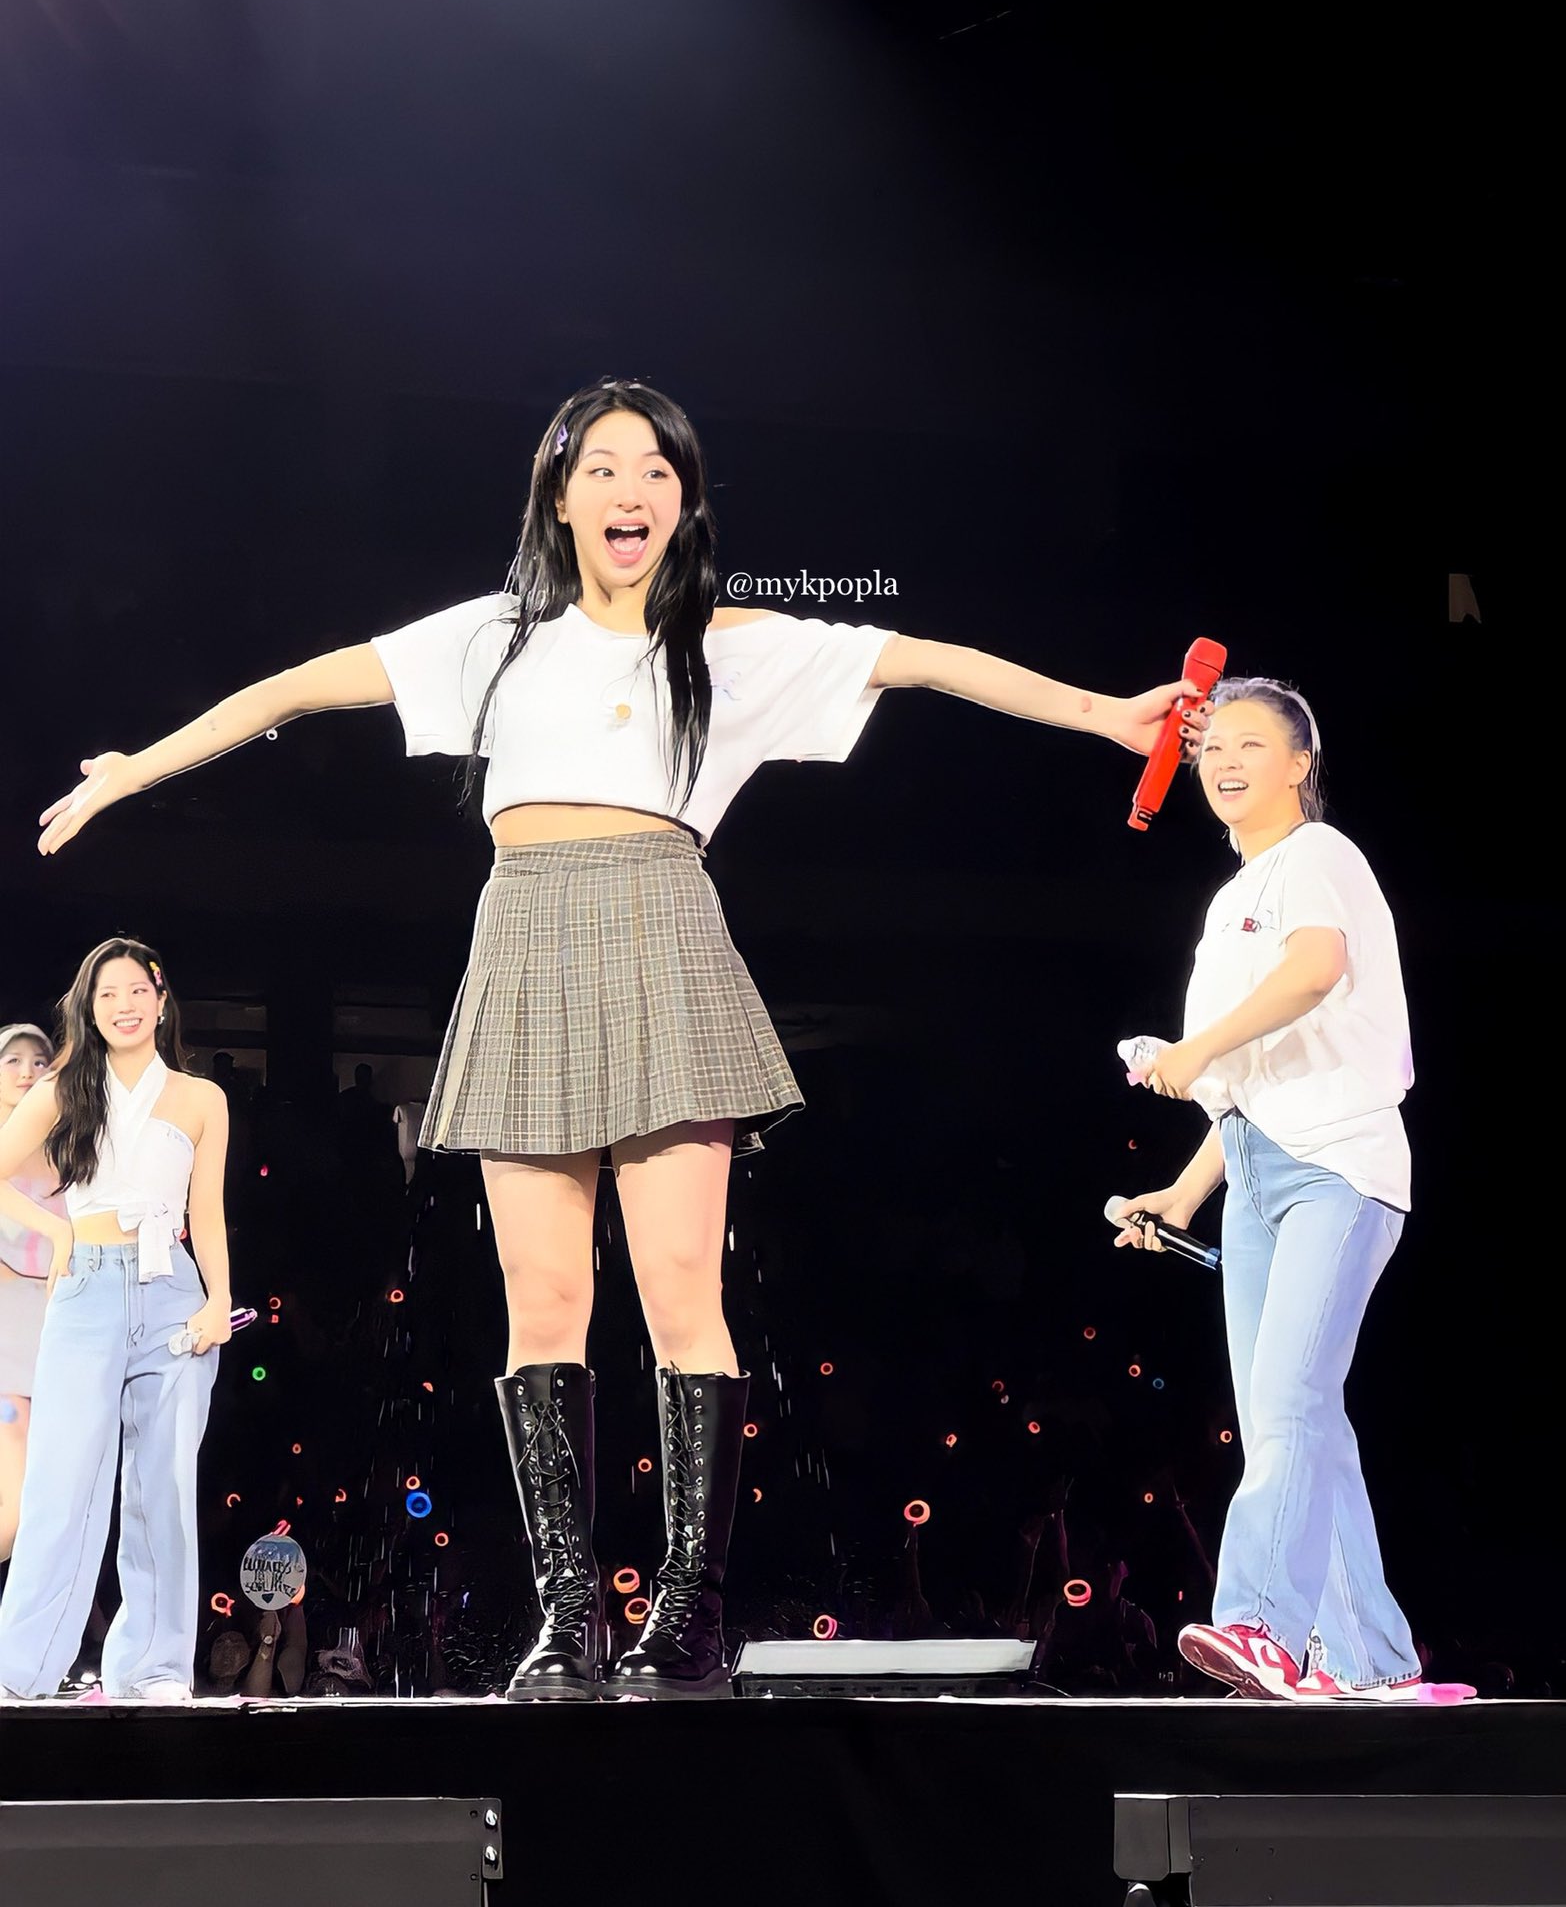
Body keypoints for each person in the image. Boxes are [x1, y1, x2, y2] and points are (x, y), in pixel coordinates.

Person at [35, 376, 1206, 1701]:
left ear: (685, 500)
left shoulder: (728, 642)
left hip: (661, 927)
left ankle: (687, 1618)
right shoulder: (493, 637)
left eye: (655, 468)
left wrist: (1107, 714)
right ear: (558, 495)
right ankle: (565, 1622)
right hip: (526, 934)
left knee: (681, 1297)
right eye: (601, 467)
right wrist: (137, 768)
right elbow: (299, 688)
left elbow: (921, 658)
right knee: (541, 1305)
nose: (629, 489)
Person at [1115, 677, 1427, 1703]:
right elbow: (1251, 1081)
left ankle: (1259, 1626)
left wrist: (1194, 1047)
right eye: (1212, 749)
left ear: (1301, 763)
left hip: (1336, 1164)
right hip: (1254, 1168)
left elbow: (1314, 971)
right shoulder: (1231, 899)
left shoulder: (1318, 855)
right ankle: (1370, 1659)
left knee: (1292, 1403)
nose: (1225, 762)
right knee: (1293, 1421)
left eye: (1252, 744)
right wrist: (1184, 1191)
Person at [0, 940, 233, 1703]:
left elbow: (207, 1211)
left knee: (164, 1489)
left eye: (137, 990)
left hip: (173, 1291)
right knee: (60, 1484)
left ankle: (155, 1671)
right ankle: (20, 1672)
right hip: (88, 1288)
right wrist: (56, 1231)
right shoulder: (66, 1087)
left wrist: (218, 1302)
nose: (124, 1005)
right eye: (107, 995)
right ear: (89, 1009)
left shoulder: (201, 1097)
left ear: (161, 1000)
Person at [0, 1024, 67, 1566]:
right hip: (9, 1335)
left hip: (61, 1328)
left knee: (51, 1502)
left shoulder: (67, 1150)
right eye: (12, 1060)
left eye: (39, 1061)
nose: (27, 1072)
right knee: (14, 1506)